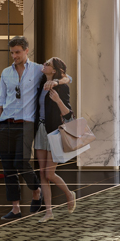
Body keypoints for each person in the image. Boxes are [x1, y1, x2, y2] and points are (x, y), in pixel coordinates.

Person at [0, 36, 71, 221]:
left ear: (26, 50)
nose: (14, 56)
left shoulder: (38, 69)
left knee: (21, 162)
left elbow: (67, 77)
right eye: (12, 53)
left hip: (27, 124)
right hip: (5, 123)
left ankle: (36, 190)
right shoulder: (6, 73)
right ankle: (15, 208)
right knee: (8, 168)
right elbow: (0, 99)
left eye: (17, 52)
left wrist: (56, 82)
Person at [32, 57, 77, 221]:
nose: (44, 65)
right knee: (42, 174)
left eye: (48, 64)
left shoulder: (62, 87)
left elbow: (68, 114)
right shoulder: (41, 84)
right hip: (40, 130)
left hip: (54, 132)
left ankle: (69, 194)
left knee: (49, 174)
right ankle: (49, 212)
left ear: (55, 70)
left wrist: (57, 100)